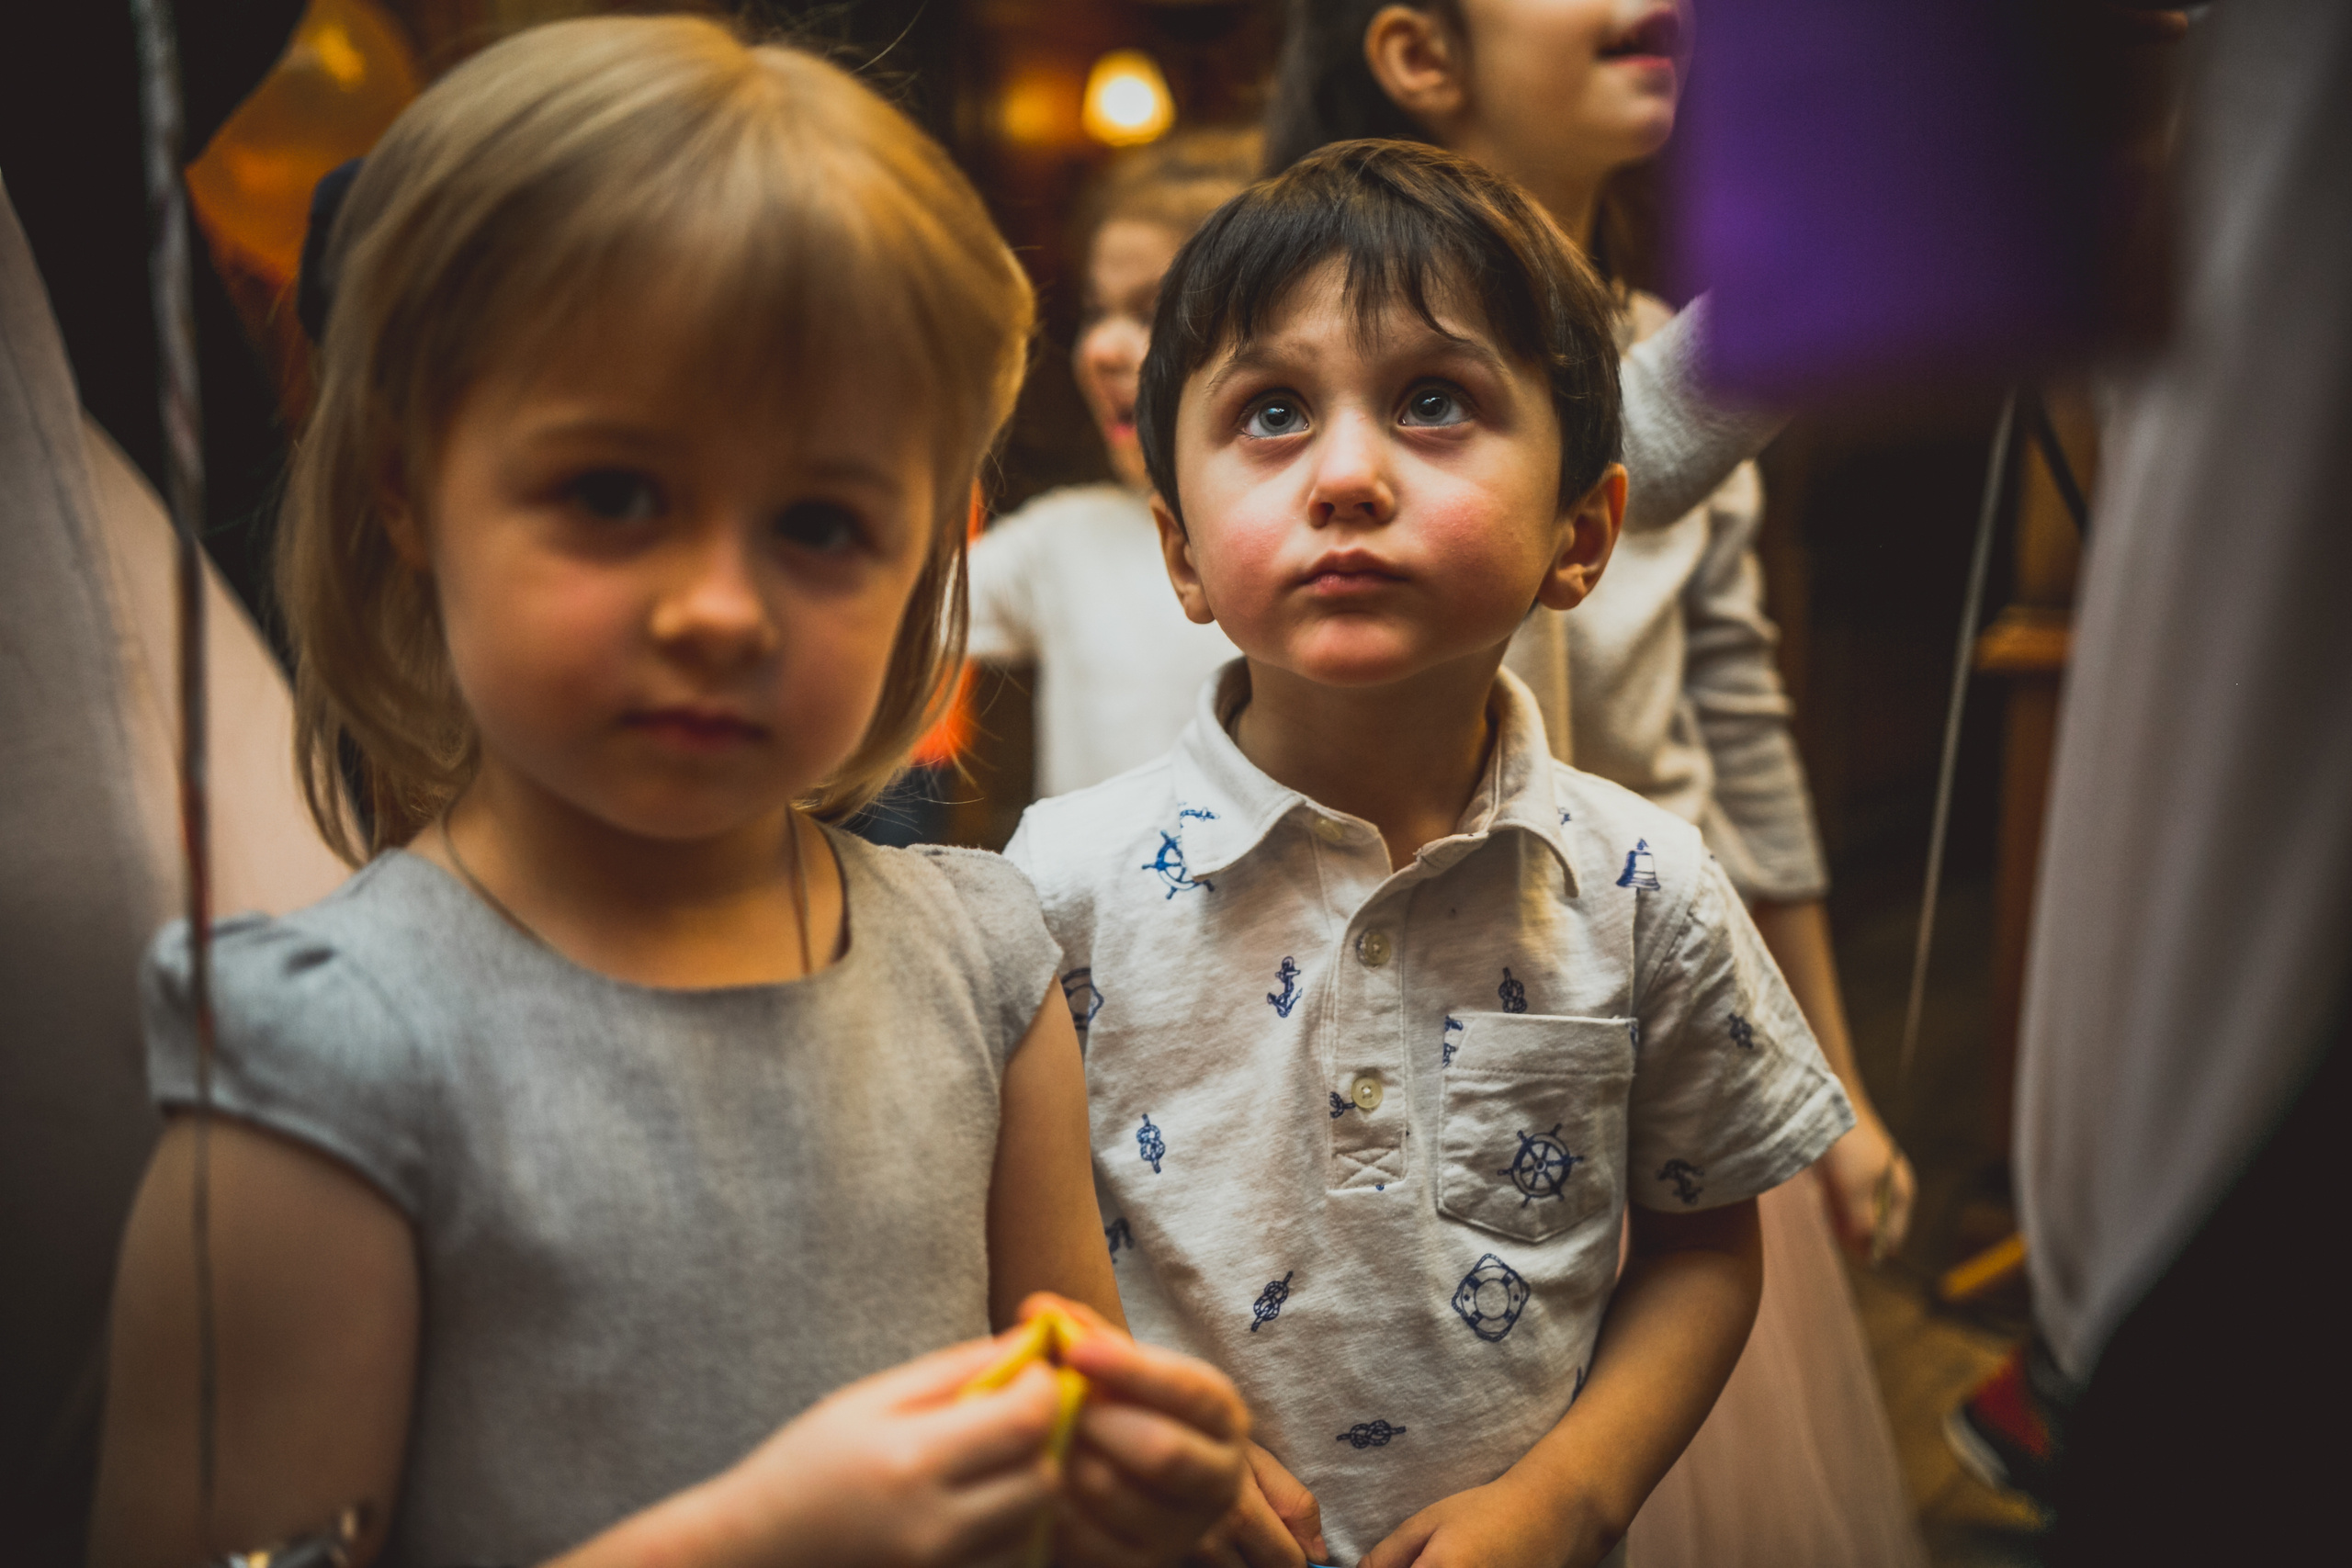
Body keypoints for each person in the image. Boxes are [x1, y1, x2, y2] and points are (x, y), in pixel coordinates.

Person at [86, 18, 1248, 1566]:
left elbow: (1056, 1464)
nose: (720, 608)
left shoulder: (982, 966)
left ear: (926, 555)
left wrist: (1143, 1494)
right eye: (614, 494)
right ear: (406, 487)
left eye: (824, 523)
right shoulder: (330, 1055)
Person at [1006, 141, 1855, 1568]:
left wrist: (1576, 1491)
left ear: (1581, 532)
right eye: (1272, 410)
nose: (1346, 474)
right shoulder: (1060, 883)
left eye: (1434, 402)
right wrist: (1132, 1441)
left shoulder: (1646, 884)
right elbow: (1011, 1258)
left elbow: (1703, 1244)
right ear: (1184, 551)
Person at [1264, 8, 1925, 1562]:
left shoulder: (1654, 339)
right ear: (1422, 53)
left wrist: (1835, 1088)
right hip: (1416, 1047)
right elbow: (1583, 434)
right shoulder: (1317, 351)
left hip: (1654, 1030)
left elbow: (1737, 746)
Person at [970, 130, 1578, 796]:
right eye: (1096, 312)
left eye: (1151, 313)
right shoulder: (1062, 540)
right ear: (1182, 553)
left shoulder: (1432, 547)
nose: (1106, 348)